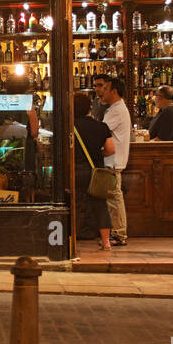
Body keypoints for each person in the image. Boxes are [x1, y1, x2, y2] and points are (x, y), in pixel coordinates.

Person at [72, 92, 115, 252]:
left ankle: (71, 241)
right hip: (95, 172)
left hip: (75, 170)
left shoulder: (69, 127)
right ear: (89, 108)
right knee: (100, 206)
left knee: (73, 204)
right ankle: (106, 242)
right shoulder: (101, 127)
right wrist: (98, 155)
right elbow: (110, 149)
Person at [94, 75, 131, 247]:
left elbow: (101, 132)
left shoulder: (116, 110)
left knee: (115, 199)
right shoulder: (115, 108)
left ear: (114, 91)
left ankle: (119, 234)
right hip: (113, 160)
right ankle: (117, 233)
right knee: (113, 198)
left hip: (113, 161)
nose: (102, 92)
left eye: (105, 89)